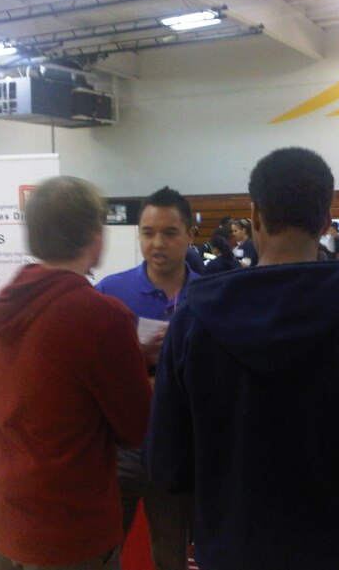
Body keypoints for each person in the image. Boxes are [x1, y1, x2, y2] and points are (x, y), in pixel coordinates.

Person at [146, 147, 339, 570]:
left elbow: (167, 468)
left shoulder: (193, 325)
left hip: (231, 553)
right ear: (325, 222)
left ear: (256, 217)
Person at [0, 176, 152, 570]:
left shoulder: (10, 299)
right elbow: (136, 427)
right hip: (63, 525)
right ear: (96, 235)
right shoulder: (100, 316)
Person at [96, 186, 198, 570]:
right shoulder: (110, 293)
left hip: (178, 451)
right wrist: (135, 360)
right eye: (147, 232)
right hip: (120, 451)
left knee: (171, 555)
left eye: (170, 233)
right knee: (104, 551)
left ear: (190, 234)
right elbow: (93, 373)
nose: (157, 243)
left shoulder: (207, 295)